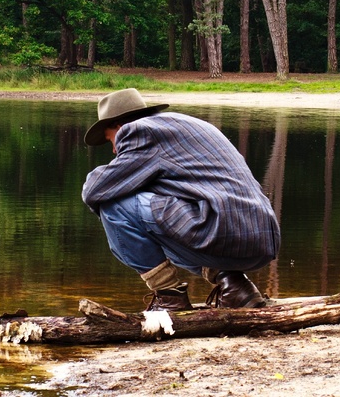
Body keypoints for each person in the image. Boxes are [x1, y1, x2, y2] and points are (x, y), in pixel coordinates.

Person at [81, 88, 280, 310]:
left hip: (222, 229)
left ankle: (169, 296)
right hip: (262, 238)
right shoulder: (187, 125)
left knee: (113, 204)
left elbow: (95, 190)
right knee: (157, 223)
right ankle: (234, 286)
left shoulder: (138, 131)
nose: (114, 150)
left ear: (119, 126)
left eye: (111, 140)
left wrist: (96, 178)